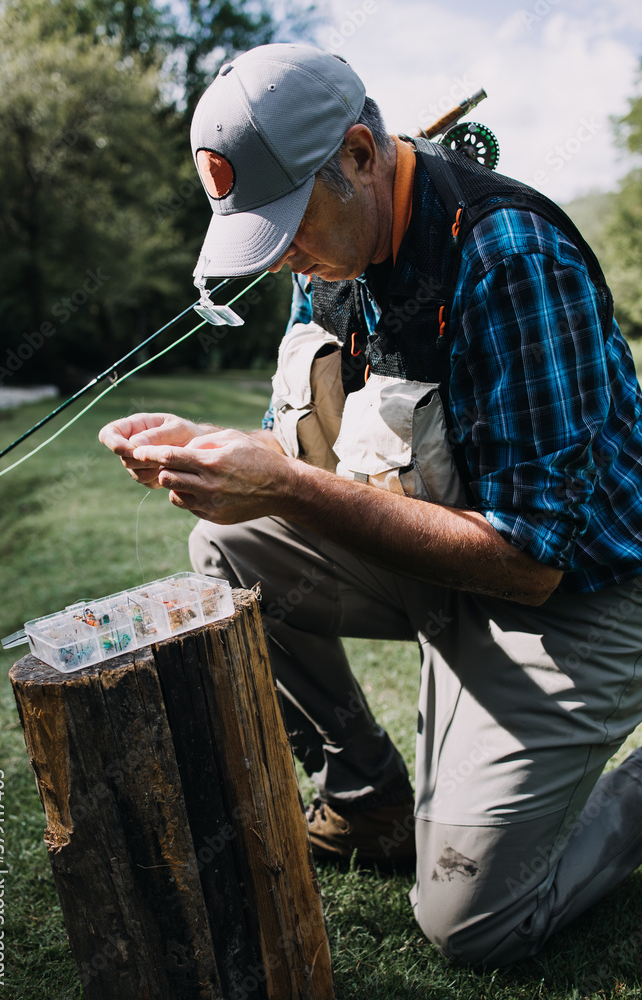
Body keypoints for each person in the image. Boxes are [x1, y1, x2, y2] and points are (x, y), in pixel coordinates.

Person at [98, 43, 642, 966]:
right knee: (224, 549)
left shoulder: (510, 258)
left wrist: (289, 487)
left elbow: (532, 557)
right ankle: (368, 801)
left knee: (473, 924)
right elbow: (306, 447)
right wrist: (221, 452)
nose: (276, 264)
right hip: (446, 565)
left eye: (286, 226)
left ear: (357, 155)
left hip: (576, 601)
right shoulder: (327, 259)